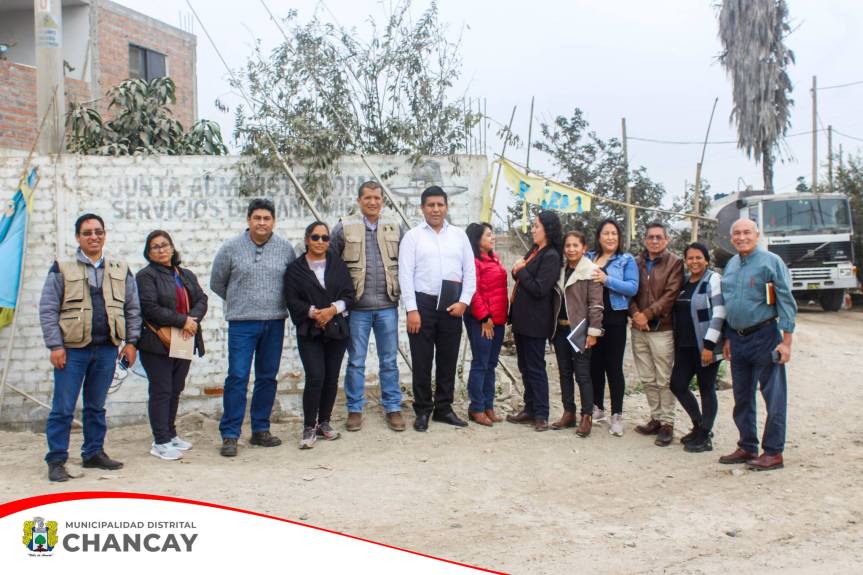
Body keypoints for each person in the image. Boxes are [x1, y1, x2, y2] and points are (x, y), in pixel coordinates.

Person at [39, 213, 141, 482]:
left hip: (107, 348)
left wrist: (131, 342)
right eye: (87, 233)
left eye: (98, 231)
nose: (93, 236)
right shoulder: (61, 268)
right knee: (63, 407)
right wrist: (55, 346)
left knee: (96, 406)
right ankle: (57, 459)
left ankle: (93, 452)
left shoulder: (120, 268)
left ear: (104, 234)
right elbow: (48, 309)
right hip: (72, 350)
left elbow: (132, 308)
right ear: (78, 238)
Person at [210, 198, 297, 457]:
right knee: (237, 376)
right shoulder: (230, 249)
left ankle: (260, 429)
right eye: (257, 218)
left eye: (266, 218)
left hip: (274, 321)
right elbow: (217, 282)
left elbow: (292, 282)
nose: (262, 223)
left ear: (273, 221)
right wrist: (241, 301)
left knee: (267, 377)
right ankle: (230, 434)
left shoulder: (285, 249)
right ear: (248, 220)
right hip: (242, 323)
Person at [718, 218, 797, 471]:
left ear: (757, 235)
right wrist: (729, 337)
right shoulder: (730, 264)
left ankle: (773, 452)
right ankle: (747, 445)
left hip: (765, 336)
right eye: (737, 233)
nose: (741, 237)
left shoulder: (771, 262)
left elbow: (785, 300)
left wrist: (786, 342)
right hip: (738, 340)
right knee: (742, 396)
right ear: (731, 238)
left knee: (773, 396)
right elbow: (730, 303)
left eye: (746, 232)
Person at [398, 186, 476, 432]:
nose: (435, 209)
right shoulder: (412, 237)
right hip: (422, 305)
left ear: (446, 206)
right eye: (430, 205)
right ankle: (422, 410)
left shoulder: (459, 236)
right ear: (422, 208)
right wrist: (412, 309)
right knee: (421, 360)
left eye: (440, 204)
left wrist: (464, 301)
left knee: (448, 359)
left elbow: (470, 272)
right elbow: (405, 275)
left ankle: (444, 408)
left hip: (452, 305)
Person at [330, 181, 405, 432]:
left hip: (387, 306)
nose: (373, 202)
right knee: (356, 362)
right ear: (359, 200)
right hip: (357, 309)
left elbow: (406, 261)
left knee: (389, 361)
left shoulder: (394, 226)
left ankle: (393, 407)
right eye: (368, 198)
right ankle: (354, 409)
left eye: (377, 198)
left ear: (382, 200)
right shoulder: (344, 226)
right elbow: (331, 262)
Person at [136, 230, 208, 461]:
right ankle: (160, 441)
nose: (161, 249)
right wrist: (182, 320)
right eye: (155, 247)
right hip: (157, 342)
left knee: (176, 388)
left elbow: (202, 299)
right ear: (148, 252)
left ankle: (171, 433)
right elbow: (149, 307)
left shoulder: (184, 274)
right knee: (161, 390)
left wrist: (192, 319)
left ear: (172, 248)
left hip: (184, 339)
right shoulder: (146, 276)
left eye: (165, 245)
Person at [285, 221, 355, 449]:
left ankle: (324, 422)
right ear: (307, 240)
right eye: (316, 237)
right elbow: (292, 300)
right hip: (310, 330)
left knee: (332, 377)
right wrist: (314, 313)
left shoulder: (338, 265)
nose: (320, 242)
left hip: (337, 329)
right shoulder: (295, 269)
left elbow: (349, 294)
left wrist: (332, 309)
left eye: (325, 238)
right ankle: (308, 426)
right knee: (316, 376)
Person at [506, 211, 563, 432]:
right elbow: (520, 273)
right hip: (522, 319)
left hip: (536, 321)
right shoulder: (535, 250)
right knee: (524, 366)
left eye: (536, 226)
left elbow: (540, 288)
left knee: (536, 367)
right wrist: (518, 270)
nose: (532, 229)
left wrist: (520, 271)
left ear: (547, 229)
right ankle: (529, 408)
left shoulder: (551, 256)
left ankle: (541, 413)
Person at [628, 221, 684, 447]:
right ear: (644, 240)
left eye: (659, 237)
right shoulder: (636, 262)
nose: (654, 240)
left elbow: (671, 294)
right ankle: (656, 418)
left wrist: (647, 315)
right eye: (650, 237)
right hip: (638, 329)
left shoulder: (675, 263)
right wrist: (635, 314)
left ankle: (668, 423)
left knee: (664, 378)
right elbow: (629, 290)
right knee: (647, 378)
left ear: (667, 240)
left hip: (662, 328)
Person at [669, 242, 725, 453]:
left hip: (705, 346)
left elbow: (719, 313)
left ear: (706, 260)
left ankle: (704, 436)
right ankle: (699, 425)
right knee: (677, 384)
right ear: (685, 261)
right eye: (690, 258)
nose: (694, 262)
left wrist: (710, 346)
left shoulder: (713, 280)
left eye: (698, 258)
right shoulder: (684, 282)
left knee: (706, 388)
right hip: (684, 346)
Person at [587, 218, 639, 437]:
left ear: (619, 238)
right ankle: (597, 407)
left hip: (615, 318)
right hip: (592, 318)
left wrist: (607, 279)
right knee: (594, 365)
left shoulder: (626, 260)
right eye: (606, 233)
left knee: (614, 367)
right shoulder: (589, 257)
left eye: (614, 234)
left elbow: (632, 288)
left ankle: (617, 414)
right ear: (599, 237)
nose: (610, 237)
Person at [550, 230, 604, 437]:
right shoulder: (561, 270)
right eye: (568, 246)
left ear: (584, 248)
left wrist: (593, 332)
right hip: (560, 328)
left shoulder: (591, 271)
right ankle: (568, 412)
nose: (571, 249)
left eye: (575, 245)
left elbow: (596, 305)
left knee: (582, 374)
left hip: (580, 329)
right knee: (564, 373)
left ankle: (586, 416)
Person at [463, 222, 508, 426]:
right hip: (482, 321)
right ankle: (476, 407)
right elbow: (473, 291)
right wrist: (483, 318)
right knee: (480, 363)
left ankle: (489, 405)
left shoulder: (494, 258)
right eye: (489, 235)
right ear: (477, 240)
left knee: (490, 364)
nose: (493, 238)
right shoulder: (473, 261)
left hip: (497, 320)